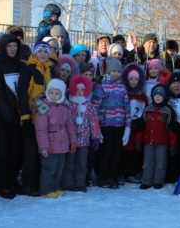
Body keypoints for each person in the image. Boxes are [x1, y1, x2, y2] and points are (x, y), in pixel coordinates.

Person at [0, 34, 25, 199]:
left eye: (15, 46)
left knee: (15, 153)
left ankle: (11, 181)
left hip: (19, 118)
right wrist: (7, 115)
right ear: (3, 48)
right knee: (1, 152)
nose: (12, 49)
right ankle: (0, 184)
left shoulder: (21, 66)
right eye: (9, 46)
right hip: (2, 119)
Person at [18, 41, 56, 196]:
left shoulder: (51, 71)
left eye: (45, 52)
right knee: (31, 154)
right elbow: (22, 94)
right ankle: (28, 184)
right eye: (40, 51)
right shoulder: (29, 70)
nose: (43, 54)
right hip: (33, 119)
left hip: (47, 120)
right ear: (34, 53)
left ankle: (40, 182)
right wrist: (25, 117)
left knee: (43, 153)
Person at [91, 57, 131, 188]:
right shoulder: (101, 87)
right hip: (105, 124)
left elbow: (127, 107)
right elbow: (95, 107)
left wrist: (128, 127)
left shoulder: (122, 88)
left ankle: (112, 176)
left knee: (116, 152)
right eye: (114, 71)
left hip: (119, 124)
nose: (116, 74)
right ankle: (102, 176)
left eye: (119, 72)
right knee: (106, 151)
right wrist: (97, 129)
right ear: (108, 71)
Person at [35, 78, 77, 198]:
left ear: (62, 94)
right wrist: (44, 146)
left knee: (59, 168)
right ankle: (46, 190)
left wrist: (73, 141)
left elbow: (70, 126)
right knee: (49, 168)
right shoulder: (44, 108)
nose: (54, 96)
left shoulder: (64, 108)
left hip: (63, 144)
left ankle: (55, 187)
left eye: (57, 93)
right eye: (51, 93)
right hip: (50, 145)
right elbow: (41, 130)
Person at [134, 85, 180, 190]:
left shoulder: (168, 111)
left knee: (160, 163)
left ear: (165, 97)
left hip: (162, 142)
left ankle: (158, 181)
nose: (158, 97)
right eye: (156, 95)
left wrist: (173, 144)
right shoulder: (147, 109)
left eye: (160, 95)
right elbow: (141, 126)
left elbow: (172, 130)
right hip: (148, 141)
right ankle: (146, 181)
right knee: (147, 163)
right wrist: (138, 140)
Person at [63, 74, 101, 192]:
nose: (80, 92)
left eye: (82, 89)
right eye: (78, 89)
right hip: (71, 140)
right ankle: (68, 183)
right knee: (69, 163)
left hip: (84, 141)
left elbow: (94, 121)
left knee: (81, 163)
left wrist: (95, 137)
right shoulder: (68, 105)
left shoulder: (88, 105)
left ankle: (80, 183)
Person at [122, 64, 148, 183]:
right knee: (123, 150)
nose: (133, 81)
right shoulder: (123, 92)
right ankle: (121, 173)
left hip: (136, 127)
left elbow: (145, 109)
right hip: (124, 125)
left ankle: (131, 173)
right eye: (131, 79)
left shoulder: (142, 95)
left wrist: (142, 121)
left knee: (134, 151)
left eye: (136, 79)